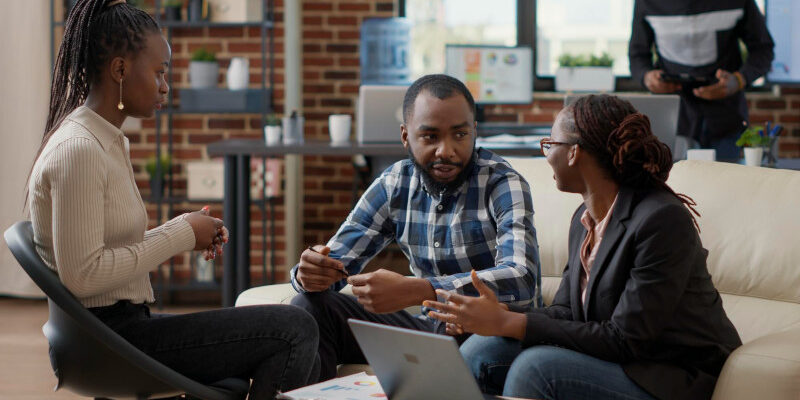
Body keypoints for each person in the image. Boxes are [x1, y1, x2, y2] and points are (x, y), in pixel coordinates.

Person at [26, 1, 318, 398]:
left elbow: (106, 252)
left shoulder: (104, 141)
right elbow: (84, 275)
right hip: (107, 339)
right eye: (160, 72)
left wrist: (185, 230)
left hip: (123, 327)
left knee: (297, 342)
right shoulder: (79, 149)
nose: (166, 85)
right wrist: (180, 234)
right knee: (294, 330)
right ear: (120, 70)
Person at [424, 95, 742, 400]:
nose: (546, 155)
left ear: (574, 153)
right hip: (618, 358)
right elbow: (567, 312)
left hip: (670, 374)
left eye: (550, 145)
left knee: (537, 369)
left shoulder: (662, 221)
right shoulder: (584, 218)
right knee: (483, 348)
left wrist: (512, 323)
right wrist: (497, 315)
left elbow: (626, 339)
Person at [289, 74, 541, 381]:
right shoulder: (394, 184)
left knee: (478, 348)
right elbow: (335, 263)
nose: (446, 151)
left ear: (474, 131)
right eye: (431, 137)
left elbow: (522, 279)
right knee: (309, 306)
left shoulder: (503, 183)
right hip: (429, 328)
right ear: (406, 136)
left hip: (489, 331)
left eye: (460, 135)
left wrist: (423, 289)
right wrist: (311, 273)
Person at [629, 0, 774, 161]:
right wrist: (647, 77)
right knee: (672, 183)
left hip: (725, 116)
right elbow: (637, 56)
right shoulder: (646, 2)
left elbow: (763, 50)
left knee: (724, 183)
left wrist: (739, 80)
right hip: (673, 118)